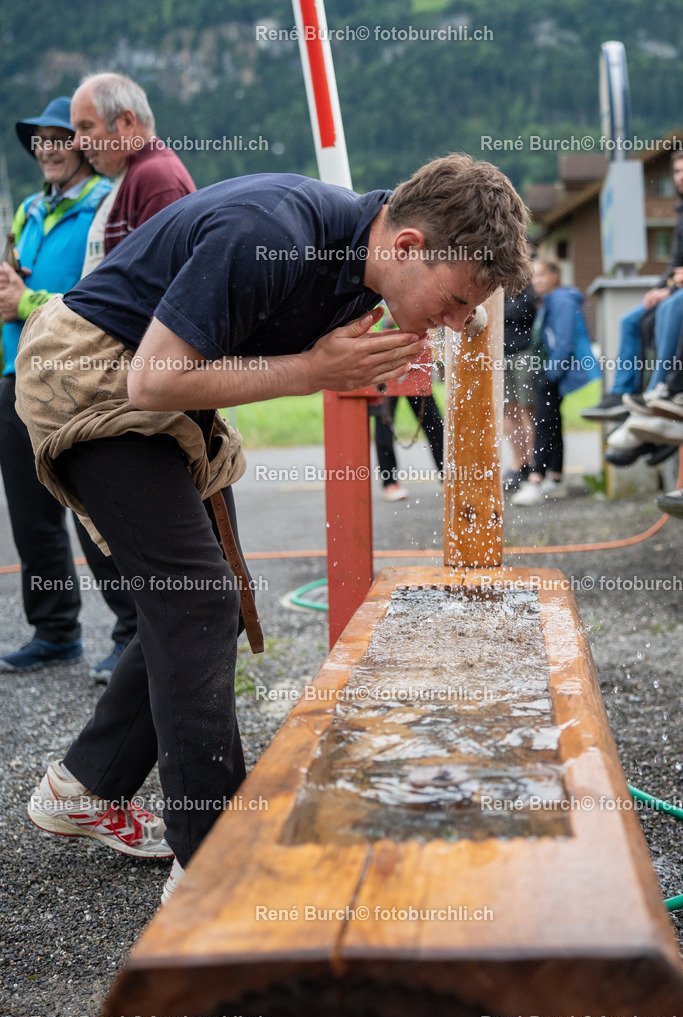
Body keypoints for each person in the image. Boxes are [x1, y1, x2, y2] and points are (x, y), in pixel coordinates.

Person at [15, 154, 531, 899]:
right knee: (196, 599)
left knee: (205, 603)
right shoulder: (269, 234)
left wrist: (455, 310)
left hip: (154, 386)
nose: (458, 322)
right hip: (87, 373)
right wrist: (313, 371)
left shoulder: (369, 254)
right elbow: (151, 380)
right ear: (410, 247)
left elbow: (445, 295)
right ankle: (213, 862)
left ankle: (85, 786)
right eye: (453, 301)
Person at [0, 96, 138, 678]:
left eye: (60, 137)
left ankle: (131, 632)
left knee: (96, 511)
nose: (48, 149)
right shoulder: (27, 210)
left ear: (83, 146)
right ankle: (54, 631)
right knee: (31, 516)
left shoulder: (103, 205)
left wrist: (22, 300)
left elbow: (99, 295)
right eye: (40, 139)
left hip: (75, 379)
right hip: (14, 376)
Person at [582, 151, 683, 423]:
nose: (680, 177)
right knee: (630, 319)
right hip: (676, 288)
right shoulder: (681, 213)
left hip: (678, 295)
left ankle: (659, 389)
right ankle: (621, 393)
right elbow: (675, 264)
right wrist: (661, 287)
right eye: (675, 171)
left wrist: (670, 290)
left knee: (669, 308)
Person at [69, 72, 196, 268]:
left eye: (86, 127)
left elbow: (155, 285)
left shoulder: (158, 178)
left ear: (127, 122)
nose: (77, 143)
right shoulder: (131, 174)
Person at [513, 259, 600, 507]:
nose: (536, 281)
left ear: (555, 275)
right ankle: (556, 478)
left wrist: (550, 375)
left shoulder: (561, 300)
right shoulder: (550, 300)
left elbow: (563, 342)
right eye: (534, 277)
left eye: (541, 275)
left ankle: (536, 480)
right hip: (547, 372)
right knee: (552, 422)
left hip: (551, 373)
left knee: (543, 423)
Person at [369, 305, 444, 501]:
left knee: (434, 422)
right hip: (385, 360)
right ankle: (389, 482)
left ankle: (448, 476)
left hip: (414, 362)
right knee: (384, 422)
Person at [502, 282, 537, 491]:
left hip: (524, 353)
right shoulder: (497, 281)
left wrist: (501, 311)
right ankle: (519, 462)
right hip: (502, 355)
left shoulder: (528, 282)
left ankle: (532, 462)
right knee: (509, 411)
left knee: (527, 410)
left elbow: (524, 310)